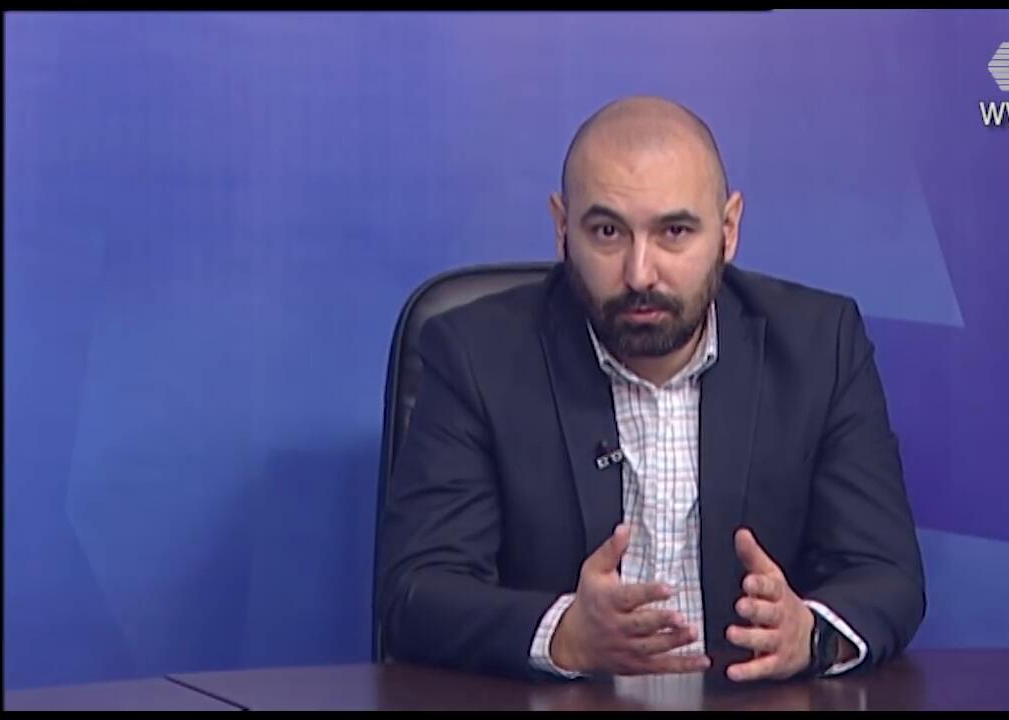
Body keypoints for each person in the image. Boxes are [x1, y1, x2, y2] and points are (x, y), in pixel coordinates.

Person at [376, 95, 925, 683]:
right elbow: (415, 592)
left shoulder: (820, 348)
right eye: (608, 231)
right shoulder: (475, 353)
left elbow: (886, 576)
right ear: (562, 228)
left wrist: (809, 635)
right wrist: (564, 634)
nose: (640, 273)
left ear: (729, 229)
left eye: (675, 231)